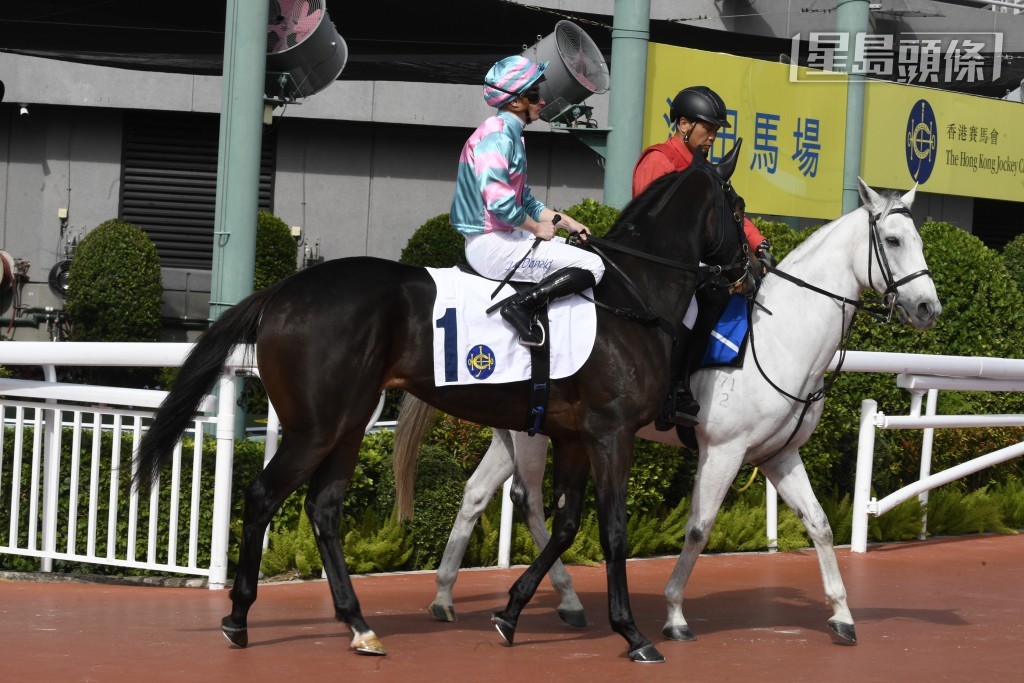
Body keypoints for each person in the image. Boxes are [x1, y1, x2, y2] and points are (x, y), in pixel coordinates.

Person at [632, 85, 775, 428]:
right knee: (704, 300)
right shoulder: (658, 161)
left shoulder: (704, 166)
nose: (712, 137)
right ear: (683, 124)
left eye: (715, 131)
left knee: (724, 290)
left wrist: (758, 243)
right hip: (654, 260)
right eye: (707, 129)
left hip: (686, 261)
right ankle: (672, 388)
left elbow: (732, 214)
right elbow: (651, 223)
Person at [450, 55, 604, 346]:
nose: (542, 101)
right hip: (491, 245)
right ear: (515, 103)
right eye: (534, 95)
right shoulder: (497, 138)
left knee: (584, 251)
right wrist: (536, 228)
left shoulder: (511, 135)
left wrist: (568, 223)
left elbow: (526, 202)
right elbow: (500, 203)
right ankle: (521, 308)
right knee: (593, 266)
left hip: (504, 237)